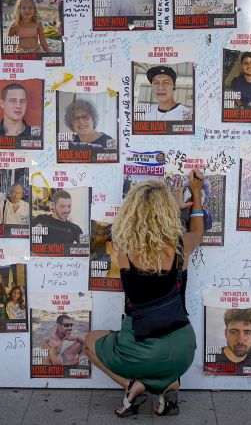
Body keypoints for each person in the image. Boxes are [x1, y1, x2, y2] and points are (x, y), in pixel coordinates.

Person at [84, 170, 204, 417]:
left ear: (132, 211)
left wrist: (171, 206)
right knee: (164, 357)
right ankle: (169, 386)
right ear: (166, 211)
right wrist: (195, 194)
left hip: (140, 345)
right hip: (183, 348)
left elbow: (145, 236)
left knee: (89, 343)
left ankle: (133, 386)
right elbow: (198, 232)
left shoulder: (123, 249)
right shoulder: (181, 245)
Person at [214, 308, 251, 374]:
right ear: (226, 333)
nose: (240, 340)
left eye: (247, 332)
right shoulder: (213, 359)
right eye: (234, 332)